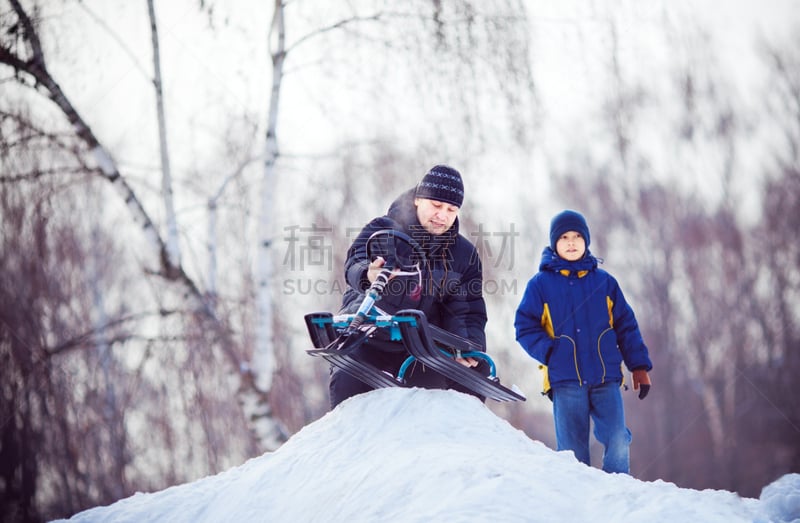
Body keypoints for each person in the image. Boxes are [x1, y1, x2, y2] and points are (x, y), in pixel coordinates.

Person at [329, 164, 490, 409]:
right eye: (436, 206)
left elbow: (466, 309)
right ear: (418, 199)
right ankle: (350, 439)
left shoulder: (462, 254)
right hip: (370, 336)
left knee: (475, 373)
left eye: (451, 209)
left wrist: (465, 346)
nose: (443, 215)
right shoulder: (383, 229)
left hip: (420, 349)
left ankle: (461, 438)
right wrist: (368, 273)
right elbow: (356, 261)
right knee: (348, 386)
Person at [514, 209, 652, 474]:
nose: (571, 242)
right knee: (573, 454)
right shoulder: (540, 285)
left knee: (618, 439)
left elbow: (626, 325)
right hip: (565, 381)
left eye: (577, 236)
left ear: (586, 240)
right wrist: (550, 352)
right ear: (554, 243)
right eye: (564, 237)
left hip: (606, 378)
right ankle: (579, 504)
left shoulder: (605, 283)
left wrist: (639, 366)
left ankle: (618, 491)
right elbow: (524, 326)